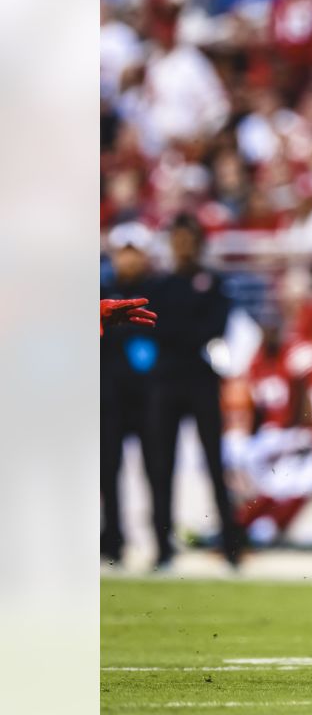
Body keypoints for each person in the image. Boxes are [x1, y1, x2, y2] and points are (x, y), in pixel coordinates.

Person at [145, 213, 242, 568]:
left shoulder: (212, 281)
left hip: (199, 379)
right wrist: (186, 331)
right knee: (160, 465)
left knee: (215, 463)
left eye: (189, 239)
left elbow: (214, 327)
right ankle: (161, 545)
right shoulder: (159, 285)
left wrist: (178, 332)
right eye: (178, 239)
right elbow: (157, 328)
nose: (183, 246)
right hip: (167, 381)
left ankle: (231, 546)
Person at [101, 222, 159, 565]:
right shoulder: (101, 293)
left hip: (151, 397)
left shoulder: (159, 290)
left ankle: (160, 541)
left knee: (157, 470)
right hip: (110, 397)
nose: (129, 260)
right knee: (108, 470)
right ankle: (113, 539)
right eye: (124, 252)